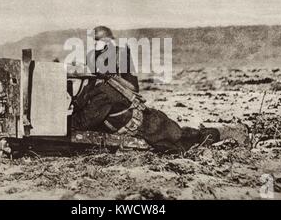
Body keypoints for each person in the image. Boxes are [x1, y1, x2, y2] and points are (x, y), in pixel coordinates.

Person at [72, 26, 224, 152]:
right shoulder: (103, 87)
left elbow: (82, 122)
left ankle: (221, 134)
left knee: (184, 140)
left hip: (150, 127)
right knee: (182, 135)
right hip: (147, 120)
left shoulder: (105, 91)